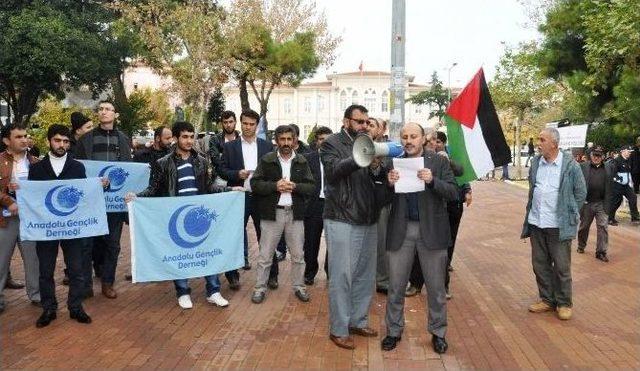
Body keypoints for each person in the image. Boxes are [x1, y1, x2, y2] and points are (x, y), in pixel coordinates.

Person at [127, 121, 238, 309]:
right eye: (184, 137)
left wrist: (229, 189)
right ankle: (183, 292)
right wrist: (136, 196)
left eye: (191, 136)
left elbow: (209, 186)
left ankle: (214, 291)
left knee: (207, 251)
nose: (189, 141)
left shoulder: (202, 161)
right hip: (176, 216)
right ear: (176, 138)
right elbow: (153, 189)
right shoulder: (163, 163)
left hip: (199, 215)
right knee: (179, 253)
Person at [381, 122, 458, 353]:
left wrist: (433, 180)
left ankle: (438, 333)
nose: (408, 140)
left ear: (424, 138)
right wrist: (388, 184)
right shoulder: (393, 163)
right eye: (404, 136)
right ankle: (393, 331)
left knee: (435, 288)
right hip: (401, 231)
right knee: (395, 286)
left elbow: (454, 192)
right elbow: (381, 198)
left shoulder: (439, 162)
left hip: (431, 231)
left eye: (413, 136)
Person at [321, 104, 386, 350]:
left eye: (367, 122)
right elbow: (334, 171)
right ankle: (338, 329)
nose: (363, 126)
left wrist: (377, 165)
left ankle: (358, 320)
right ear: (346, 121)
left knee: (364, 275)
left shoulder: (368, 142)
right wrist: (360, 157)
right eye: (359, 121)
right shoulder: (331, 143)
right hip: (341, 216)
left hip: (368, 216)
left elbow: (375, 180)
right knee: (342, 275)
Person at [28, 124, 93, 327]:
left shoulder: (77, 167)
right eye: (57, 140)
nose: (61, 144)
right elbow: (32, 198)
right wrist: (18, 189)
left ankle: (75, 307)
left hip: (72, 228)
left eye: (65, 141)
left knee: (76, 269)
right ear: (49, 141)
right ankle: (49, 308)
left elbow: (83, 196)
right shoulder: (37, 168)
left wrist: (99, 186)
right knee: (45, 270)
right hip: (46, 228)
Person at [521, 128, 586, 321]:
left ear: (554, 144)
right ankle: (547, 299)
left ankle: (564, 302)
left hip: (559, 225)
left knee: (561, 266)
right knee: (539, 264)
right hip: (536, 222)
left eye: (542, 140)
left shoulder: (570, 166)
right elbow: (533, 189)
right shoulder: (535, 163)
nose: (538, 143)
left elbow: (580, 193)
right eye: (539, 139)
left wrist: (570, 212)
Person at [250, 125, 315, 304]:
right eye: (282, 139)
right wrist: (274, 186)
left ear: (294, 141)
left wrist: (295, 186)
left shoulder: (301, 160)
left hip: (295, 214)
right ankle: (259, 288)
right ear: (276, 141)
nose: (286, 143)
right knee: (265, 255)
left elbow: (311, 186)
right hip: (273, 214)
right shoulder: (267, 159)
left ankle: (299, 286)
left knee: (298, 255)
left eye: (289, 139)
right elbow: (255, 183)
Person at [75, 100, 132, 299]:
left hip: (114, 204)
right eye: (100, 109)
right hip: (91, 201)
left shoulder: (124, 139)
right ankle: (86, 285)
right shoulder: (86, 139)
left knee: (113, 245)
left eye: (108, 109)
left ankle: (107, 283)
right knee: (87, 245)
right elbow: (78, 169)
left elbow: (128, 169)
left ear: (115, 114)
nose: (104, 112)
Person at [219, 109, 273, 289]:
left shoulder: (266, 146)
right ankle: (232, 275)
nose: (248, 127)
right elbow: (222, 170)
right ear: (240, 123)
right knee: (233, 236)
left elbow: (274, 172)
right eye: (245, 123)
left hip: (261, 197)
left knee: (265, 236)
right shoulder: (229, 147)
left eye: (252, 124)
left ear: (257, 126)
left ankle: (271, 275)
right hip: (238, 196)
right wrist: (237, 174)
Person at [0, 123, 41, 313]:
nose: (24, 139)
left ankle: (36, 294)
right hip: (6, 219)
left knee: (33, 259)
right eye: (18, 137)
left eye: (25, 135)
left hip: (30, 219)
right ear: (7, 141)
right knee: (2, 259)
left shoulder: (36, 162)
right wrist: (8, 201)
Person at [302, 126, 332, 285]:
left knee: (333, 242)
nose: (324, 142)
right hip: (313, 206)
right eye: (321, 139)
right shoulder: (307, 158)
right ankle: (310, 272)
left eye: (327, 139)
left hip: (332, 206)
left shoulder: (338, 159)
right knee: (311, 243)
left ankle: (330, 272)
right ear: (316, 141)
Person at [577, 145, 612, 262]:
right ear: (590, 155)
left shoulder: (608, 167)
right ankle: (581, 245)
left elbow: (611, 185)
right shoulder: (583, 166)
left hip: (602, 203)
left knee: (603, 227)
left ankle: (601, 252)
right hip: (587, 203)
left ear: (602, 157)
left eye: (599, 155)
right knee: (584, 227)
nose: (596, 158)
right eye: (594, 155)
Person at [608, 145, 639, 225]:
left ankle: (635, 218)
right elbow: (613, 173)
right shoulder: (617, 161)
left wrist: (630, 182)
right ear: (623, 151)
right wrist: (618, 179)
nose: (629, 153)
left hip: (626, 185)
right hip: (617, 186)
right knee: (616, 202)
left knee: (633, 198)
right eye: (628, 151)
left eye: (630, 152)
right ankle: (610, 219)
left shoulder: (628, 160)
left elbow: (628, 173)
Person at [208, 111, 240, 180]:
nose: (228, 125)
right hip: (220, 177)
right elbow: (216, 161)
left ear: (235, 122)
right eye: (225, 122)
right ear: (222, 123)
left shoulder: (241, 138)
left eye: (231, 122)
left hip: (239, 176)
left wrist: (223, 156)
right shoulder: (215, 139)